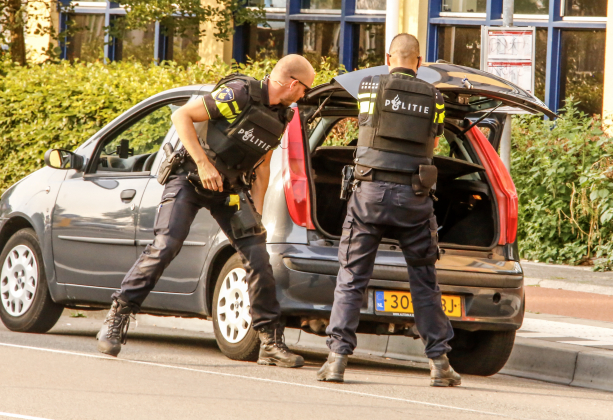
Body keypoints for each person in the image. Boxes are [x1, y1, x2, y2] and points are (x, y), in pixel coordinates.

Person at [97, 54, 316, 369]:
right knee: (167, 244)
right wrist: (203, 163)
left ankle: (269, 342)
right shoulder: (240, 94)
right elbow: (182, 117)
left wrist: (258, 212)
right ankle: (119, 313)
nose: (304, 95)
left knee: (257, 256)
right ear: (293, 83)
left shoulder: (283, 116)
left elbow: (263, 164)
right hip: (189, 178)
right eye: (305, 89)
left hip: (229, 189)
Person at [316, 34, 461, 387]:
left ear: (387, 57)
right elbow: (435, 139)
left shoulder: (369, 86)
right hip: (414, 198)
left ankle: (336, 360)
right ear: (420, 62)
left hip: (369, 194)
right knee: (424, 282)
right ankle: (439, 363)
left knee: (351, 277)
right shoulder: (437, 97)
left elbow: (365, 124)